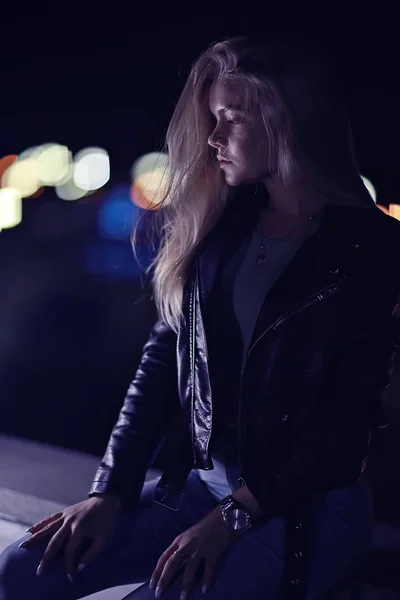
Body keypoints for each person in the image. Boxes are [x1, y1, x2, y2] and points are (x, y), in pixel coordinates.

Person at [1, 32, 400, 600]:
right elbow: (161, 367)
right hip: (197, 492)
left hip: (304, 511)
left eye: (230, 119)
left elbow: (345, 423)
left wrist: (234, 517)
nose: (213, 138)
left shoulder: (371, 248)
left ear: (286, 120)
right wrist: (109, 491)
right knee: (21, 571)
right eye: (212, 119)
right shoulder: (222, 227)